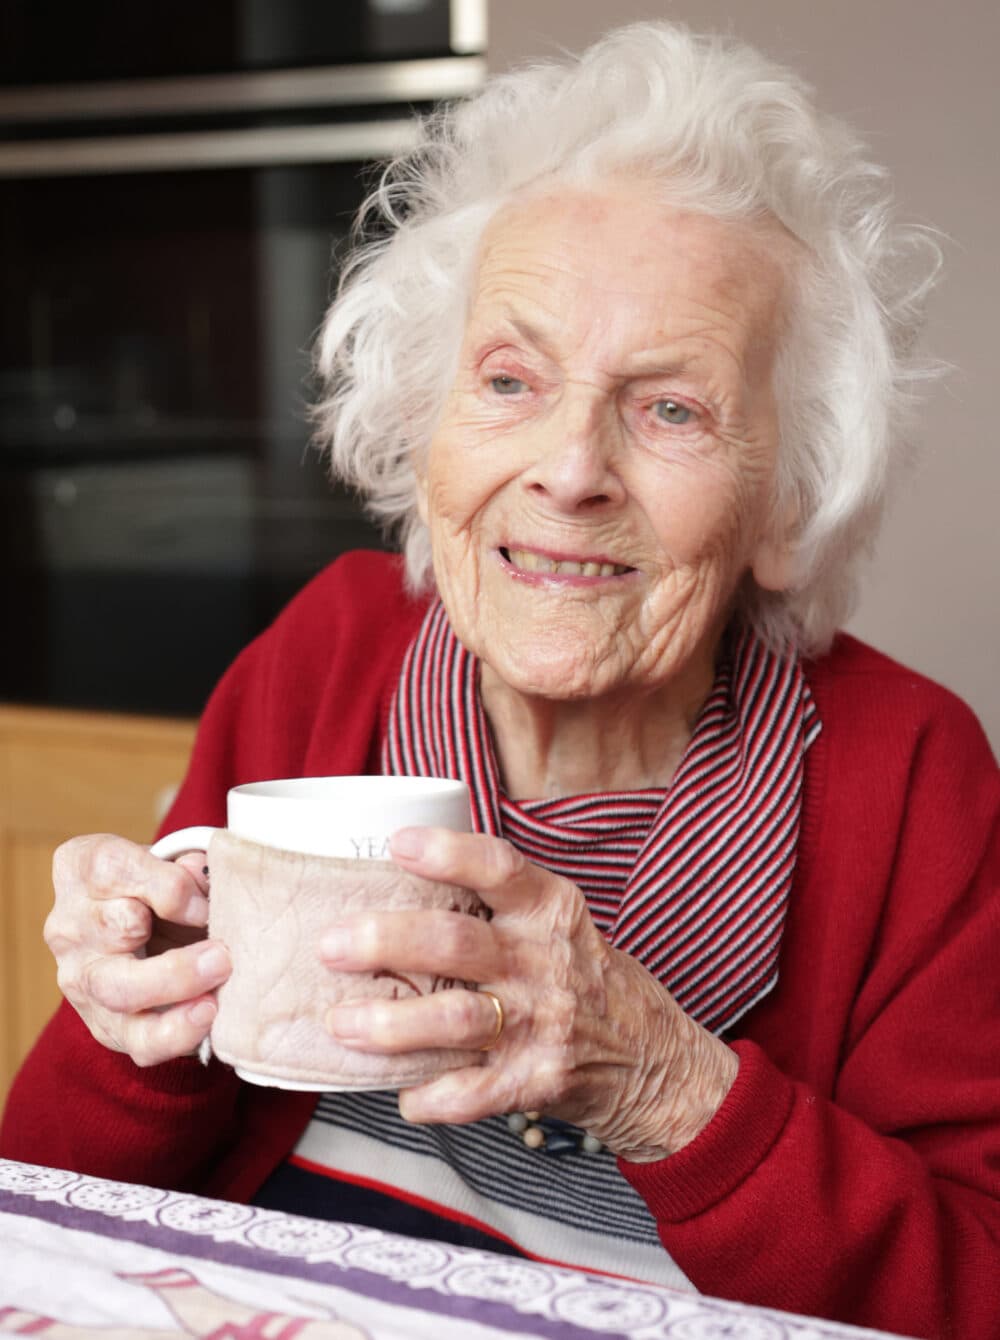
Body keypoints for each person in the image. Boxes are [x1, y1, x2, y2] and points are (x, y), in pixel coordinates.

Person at [2, 21, 997, 1340]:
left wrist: (667, 1085)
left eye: (672, 409)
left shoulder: (911, 771)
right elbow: (52, 1210)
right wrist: (146, 1019)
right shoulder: (329, 650)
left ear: (787, 503)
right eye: (511, 380)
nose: (570, 469)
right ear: (429, 433)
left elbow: (975, 1288)